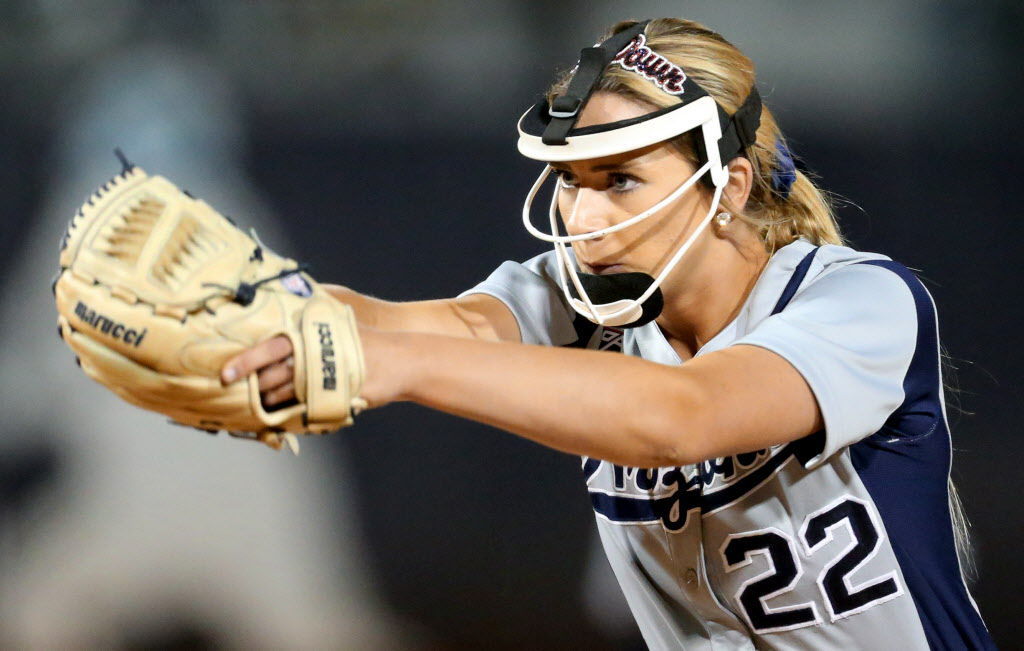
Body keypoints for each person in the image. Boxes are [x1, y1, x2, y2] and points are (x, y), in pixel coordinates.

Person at [222, 18, 994, 649]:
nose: (584, 221)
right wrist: (263, 304)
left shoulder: (860, 298)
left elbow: (679, 417)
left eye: (621, 179)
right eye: (571, 180)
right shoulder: (592, 298)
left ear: (727, 186)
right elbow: (445, 325)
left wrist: (393, 363)